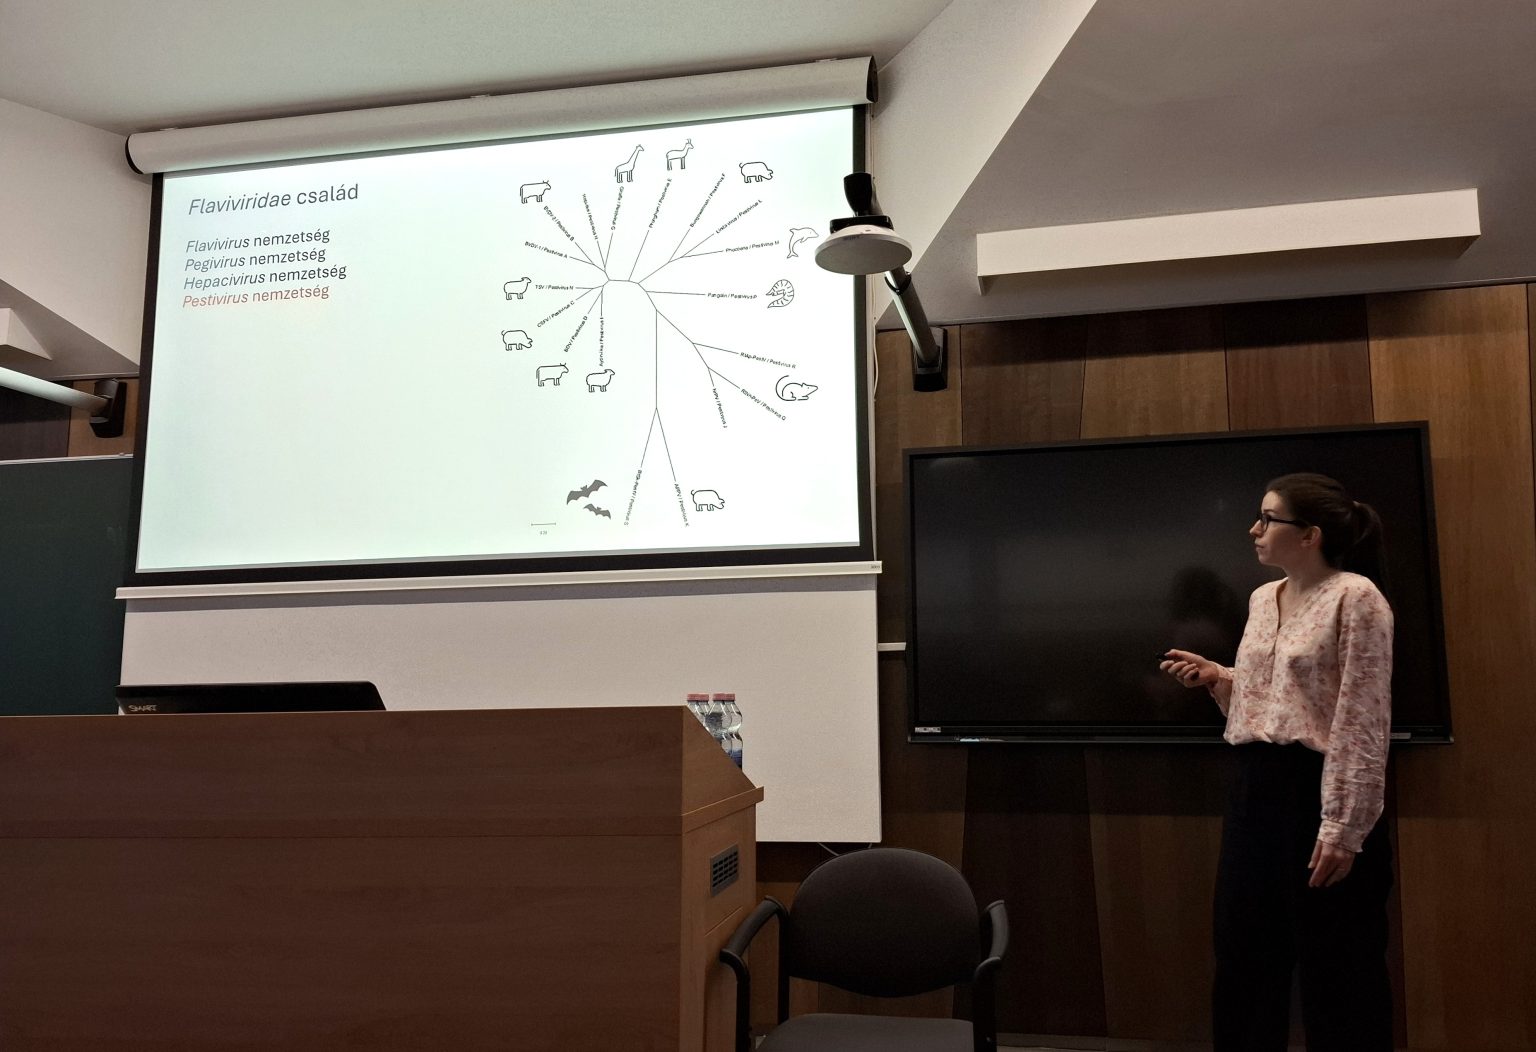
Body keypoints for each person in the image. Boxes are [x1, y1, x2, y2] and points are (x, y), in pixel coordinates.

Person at [1159, 473, 1394, 1052]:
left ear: (1310, 534)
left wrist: (1342, 827)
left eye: (1268, 518)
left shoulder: (1356, 596)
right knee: (1244, 954)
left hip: (1317, 792)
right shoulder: (1263, 598)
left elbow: (1362, 717)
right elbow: (1274, 698)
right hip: (1252, 788)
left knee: (1339, 965)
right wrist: (1220, 677)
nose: (1254, 529)